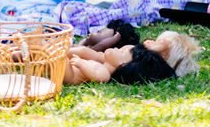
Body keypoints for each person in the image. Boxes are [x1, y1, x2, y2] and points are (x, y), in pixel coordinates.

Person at [63, 29, 202, 85]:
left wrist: (81, 63)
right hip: (70, 59)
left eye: (158, 43)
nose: (148, 42)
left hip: (71, 71)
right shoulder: (131, 55)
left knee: (60, 64)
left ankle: (53, 58)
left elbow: (98, 74)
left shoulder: (146, 64)